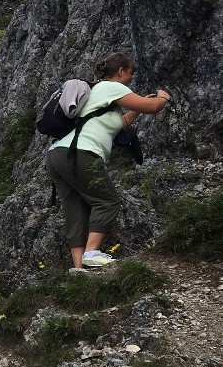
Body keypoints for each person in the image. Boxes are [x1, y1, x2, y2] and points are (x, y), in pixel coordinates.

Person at [45, 51, 171, 270]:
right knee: (107, 200)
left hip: (57, 154)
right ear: (121, 71)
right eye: (130, 72)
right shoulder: (113, 87)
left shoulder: (96, 91)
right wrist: (163, 98)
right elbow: (153, 108)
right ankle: (92, 253)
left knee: (75, 210)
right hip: (80, 153)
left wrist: (135, 110)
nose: (131, 78)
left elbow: (118, 123)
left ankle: (78, 269)